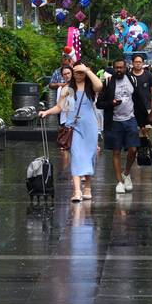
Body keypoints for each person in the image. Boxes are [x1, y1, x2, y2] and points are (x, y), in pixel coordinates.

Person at [44, 62, 101, 203]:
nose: (79, 75)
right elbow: (59, 107)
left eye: (81, 73)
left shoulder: (90, 88)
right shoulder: (67, 89)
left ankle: (87, 187)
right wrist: (46, 112)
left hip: (90, 127)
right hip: (74, 127)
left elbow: (99, 85)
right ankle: (77, 191)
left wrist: (86, 70)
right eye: (76, 72)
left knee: (89, 157)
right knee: (76, 157)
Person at [98, 57, 148, 195]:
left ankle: (126, 173)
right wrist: (111, 103)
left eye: (121, 67)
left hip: (130, 119)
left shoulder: (132, 80)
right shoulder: (108, 82)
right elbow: (99, 103)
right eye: (116, 68)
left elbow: (138, 102)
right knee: (116, 152)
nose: (119, 70)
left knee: (133, 149)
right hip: (114, 121)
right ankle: (119, 181)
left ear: (126, 68)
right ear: (113, 68)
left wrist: (143, 122)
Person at [124, 53, 152, 181]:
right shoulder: (128, 76)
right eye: (136, 62)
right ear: (132, 63)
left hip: (146, 108)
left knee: (145, 131)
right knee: (135, 132)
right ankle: (138, 153)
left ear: (143, 63)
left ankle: (143, 152)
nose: (138, 64)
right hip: (131, 109)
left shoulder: (148, 75)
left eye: (140, 62)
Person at [39, 64, 75, 173]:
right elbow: (59, 106)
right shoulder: (62, 89)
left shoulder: (81, 87)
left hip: (80, 123)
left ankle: (77, 175)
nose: (67, 76)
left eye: (69, 73)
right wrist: (47, 112)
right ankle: (68, 173)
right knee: (66, 148)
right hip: (67, 122)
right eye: (64, 74)